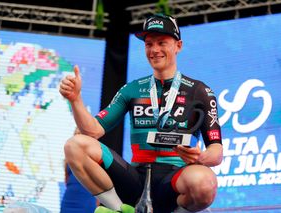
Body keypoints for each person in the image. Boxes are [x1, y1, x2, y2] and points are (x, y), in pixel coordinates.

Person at [59, 13, 223, 213]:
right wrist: (76, 100)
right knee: (74, 145)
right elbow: (93, 131)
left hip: (176, 179)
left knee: (205, 183)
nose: (154, 50)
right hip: (135, 179)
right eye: (149, 44)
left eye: (162, 42)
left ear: (178, 46)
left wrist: (199, 158)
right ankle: (121, 209)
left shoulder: (200, 91)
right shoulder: (132, 89)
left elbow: (217, 151)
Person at [60, 129, 97, 213]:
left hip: (86, 201)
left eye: (80, 135)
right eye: (76, 134)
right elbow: (66, 180)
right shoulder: (68, 157)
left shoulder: (95, 156)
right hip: (68, 201)